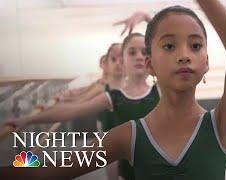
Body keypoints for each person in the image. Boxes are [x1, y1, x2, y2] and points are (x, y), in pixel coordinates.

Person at [2, 0, 226, 179]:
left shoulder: (220, 126)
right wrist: (28, 121)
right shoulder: (128, 136)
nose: (184, 55)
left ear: (206, 62)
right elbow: (51, 170)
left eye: (195, 46)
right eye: (169, 47)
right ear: (150, 64)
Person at [4, 33, 160, 180]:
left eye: (145, 52)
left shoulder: (162, 92)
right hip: (125, 167)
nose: (139, 56)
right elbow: (73, 110)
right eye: (132, 53)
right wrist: (29, 119)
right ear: (122, 61)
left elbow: (168, 44)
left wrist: (146, 17)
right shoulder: (114, 97)